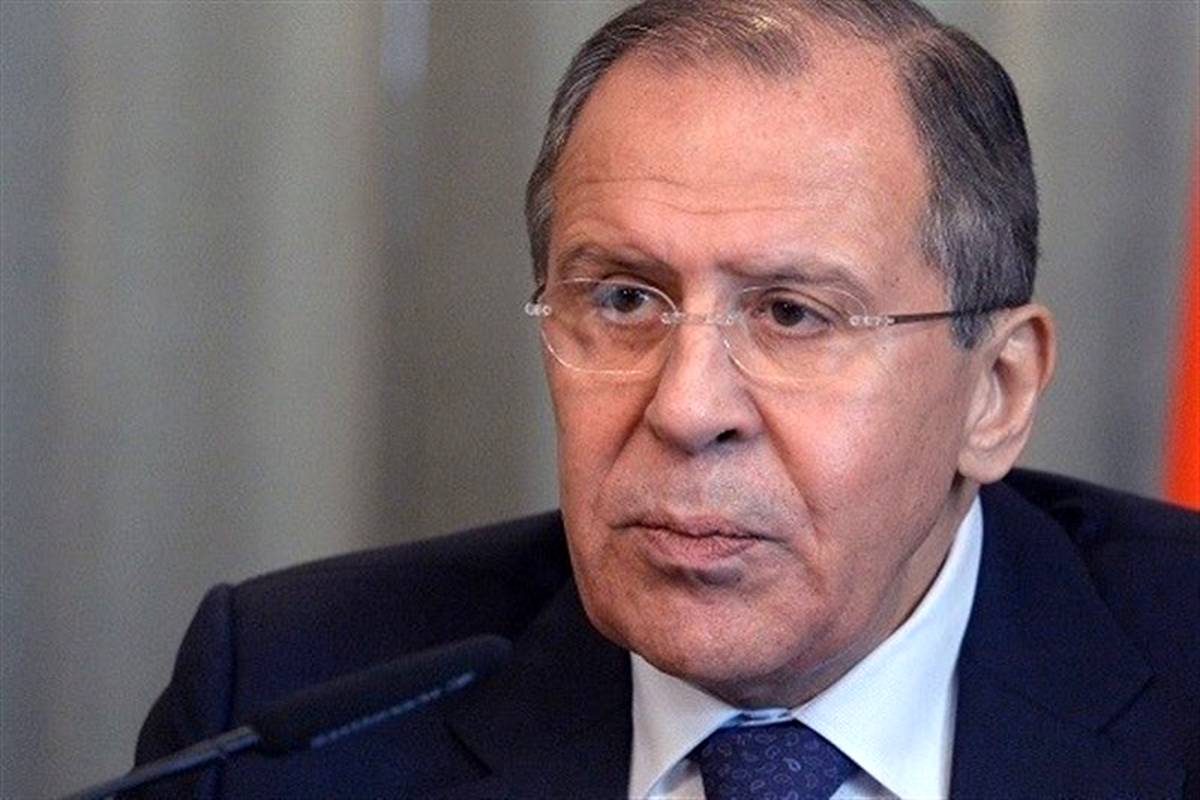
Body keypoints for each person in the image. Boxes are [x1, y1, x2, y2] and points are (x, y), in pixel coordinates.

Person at [134, 1, 1199, 797]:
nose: (688, 409)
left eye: (793, 314)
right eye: (624, 298)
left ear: (996, 394)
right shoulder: (284, 711)